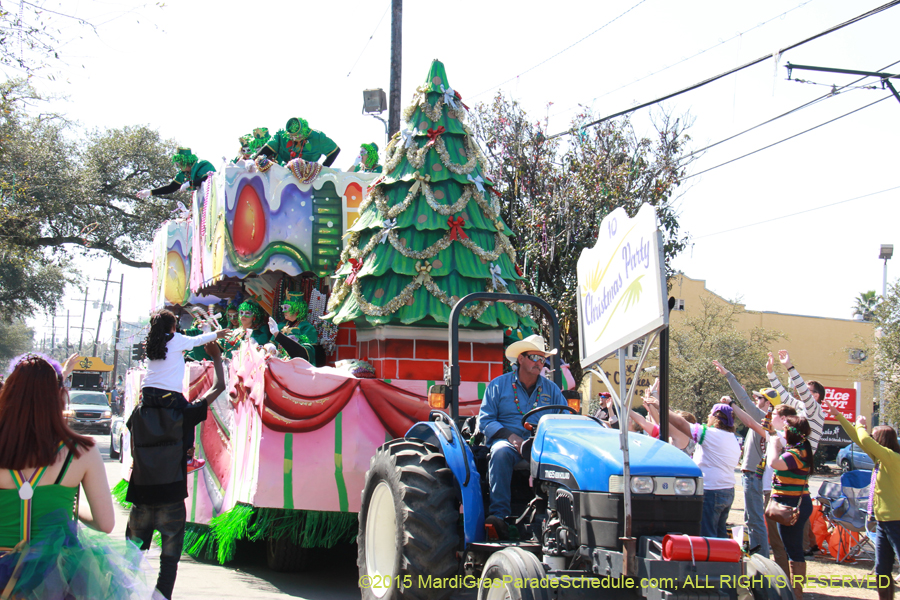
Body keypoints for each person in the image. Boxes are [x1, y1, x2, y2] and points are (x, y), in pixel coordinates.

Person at [0, 352, 162, 599]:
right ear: (60, 397)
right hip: (53, 579)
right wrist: (71, 510)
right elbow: (105, 523)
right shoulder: (82, 451)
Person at [126, 312, 228, 600]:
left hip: (142, 498)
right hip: (171, 497)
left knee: (130, 562)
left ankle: (123, 593)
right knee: (169, 562)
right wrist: (217, 358)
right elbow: (219, 387)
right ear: (173, 328)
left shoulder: (138, 416)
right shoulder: (183, 414)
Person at [477, 335, 566, 537]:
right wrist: (512, 437)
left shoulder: (551, 389)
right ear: (520, 359)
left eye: (542, 359)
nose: (539, 363)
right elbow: (486, 421)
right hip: (508, 443)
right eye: (534, 357)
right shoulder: (498, 386)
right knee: (500, 452)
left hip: (542, 445)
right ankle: (499, 516)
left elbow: (564, 416)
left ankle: (558, 516)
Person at [824, 399, 900, 600]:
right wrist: (839, 416)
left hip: (897, 521)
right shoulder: (880, 459)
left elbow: (864, 439)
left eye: (874, 438)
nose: (870, 441)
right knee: (881, 571)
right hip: (883, 522)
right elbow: (860, 439)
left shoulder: (892, 458)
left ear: (882, 441)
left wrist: (861, 425)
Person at [712, 359, 777, 558]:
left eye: (760, 399)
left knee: (755, 520)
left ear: (768, 404)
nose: (755, 401)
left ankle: (762, 560)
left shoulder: (763, 418)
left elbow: (744, 401)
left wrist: (728, 376)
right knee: (752, 519)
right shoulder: (766, 421)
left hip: (754, 475)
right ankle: (758, 556)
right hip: (754, 475)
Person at [668, 400, 741, 538]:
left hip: (712, 490)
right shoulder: (732, 438)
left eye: (710, 414)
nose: (708, 416)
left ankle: (710, 560)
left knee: (707, 534)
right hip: (728, 490)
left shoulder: (710, 434)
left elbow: (680, 424)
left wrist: (660, 407)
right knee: (720, 533)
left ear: (716, 418)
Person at [767, 412, 814, 600]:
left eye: (785, 429)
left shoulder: (796, 453)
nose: (782, 432)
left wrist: (773, 444)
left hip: (792, 506)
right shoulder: (801, 449)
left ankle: (796, 594)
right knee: (791, 548)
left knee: (793, 549)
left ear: (792, 433)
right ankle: (792, 592)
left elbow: (773, 462)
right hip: (793, 503)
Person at [255, 117, 340, 169]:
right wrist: (251, 162)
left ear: (304, 132)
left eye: (298, 136)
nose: (295, 139)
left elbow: (335, 150)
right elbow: (267, 150)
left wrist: (322, 170)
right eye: (292, 137)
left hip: (308, 177)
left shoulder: (317, 137)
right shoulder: (281, 136)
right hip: (285, 175)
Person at [137, 148, 216, 199]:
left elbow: (207, 179)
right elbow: (171, 187)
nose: (178, 166)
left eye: (178, 163)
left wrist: (190, 183)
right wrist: (150, 192)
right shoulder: (183, 174)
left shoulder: (202, 164)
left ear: (185, 161)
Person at [266, 296, 318, 364]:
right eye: (283, 307)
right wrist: (269, 347)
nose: (283, 311)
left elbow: (304, 354)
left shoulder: (307, 328)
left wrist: (277, 334)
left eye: (286, 308)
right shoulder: (281, 326)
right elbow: (273, 345)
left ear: (297, 309)